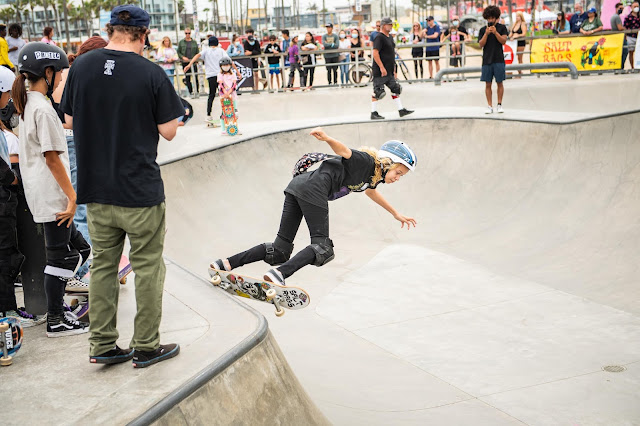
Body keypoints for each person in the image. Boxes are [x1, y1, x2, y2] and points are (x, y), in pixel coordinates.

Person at [60, 4, 183, 366]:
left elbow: (68, 120)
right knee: (148, 267)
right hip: (140, 191)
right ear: (144, 35)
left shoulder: (81, 66)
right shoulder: (151, 73)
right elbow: (169, 131)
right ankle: (145, 346)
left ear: (110, 30)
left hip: (96, 190)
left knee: (103, 266)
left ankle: (101, 344)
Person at [209, 128, 417, 287]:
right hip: (314, 189)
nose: (397, 178)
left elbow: (371, 192)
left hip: (297, 187)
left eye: (401, 176)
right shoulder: (366, 162)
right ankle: (279, 274)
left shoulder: (374, 177)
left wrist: (395, 214)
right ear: (387, 162)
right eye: (398, 172)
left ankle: (225, 264)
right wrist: (327, 138)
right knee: (323, 248)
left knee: (279, 250)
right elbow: (344, 151)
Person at [13, 42, 91, 337]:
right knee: (61, 258)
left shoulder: (29, 105)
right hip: (54, 195)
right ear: (47, 72)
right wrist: (72, 196)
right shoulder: (42, 110)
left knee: (80, 249)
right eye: (58, 73)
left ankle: (59, 305)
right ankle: (56, 319)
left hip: (46, 194)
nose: (60, 79)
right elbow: (52, 158)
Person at [51, 36, 108, 290]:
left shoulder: (70, 72)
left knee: (80, 204)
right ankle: (81, 271)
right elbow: (68, 120)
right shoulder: (78, 75)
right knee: (81, 206)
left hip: (69, 143)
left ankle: (82, 264)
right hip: (73, 142)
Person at [0, 66, 45, 327]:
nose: (8, 99)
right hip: (3, 200)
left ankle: (8, 310)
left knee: (8, 256)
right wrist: (13, 179)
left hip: (5, 200)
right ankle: (7, 312)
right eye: (6, 94)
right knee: (5, 256)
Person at [184, 36, 237, 122]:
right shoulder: (221, 50)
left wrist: (189, 64)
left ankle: (208, 114)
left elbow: (197, 55)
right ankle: (225, 113)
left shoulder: (206, 51)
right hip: (221, 76)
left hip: (211, 76)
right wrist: (237, 71)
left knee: (211, 95)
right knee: (223, 94)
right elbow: (229, 61)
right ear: (217, 43)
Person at [370, 17, 414, 120]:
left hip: (389, 70)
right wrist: (381, 67)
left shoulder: (389, 37)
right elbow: (375, 53)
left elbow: (391, 54)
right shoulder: (379, 37)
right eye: (389, 24)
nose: (391, 26)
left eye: (391, 24)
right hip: (380, 70)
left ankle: (401, 110)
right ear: (383, 26)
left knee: (396, 88)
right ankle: (373, 112)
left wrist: (394, 70)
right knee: (378, 92)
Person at [478, 5, 508, 114]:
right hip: (487, 60)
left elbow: (503, 41)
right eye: (489, 18)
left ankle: (499, 104)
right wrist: (486, 34)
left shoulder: (502, 28)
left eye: (492, 18)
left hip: (499, 59)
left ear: (496, 18)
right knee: (488, 84)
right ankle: (489, 105)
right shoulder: (483, 30)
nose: (490, 20)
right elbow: (481, 44)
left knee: (500, 82)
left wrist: (495, 33)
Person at [218, 57, 239, 134]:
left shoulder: (233, 74)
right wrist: (225, 93)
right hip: (224, 97)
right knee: (225, 112)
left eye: (227, 65)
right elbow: (221, 84)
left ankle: (235, 128)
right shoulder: (220, 74)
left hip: (232, 96)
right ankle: (224, 129)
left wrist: (229, 92)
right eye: (224, 65)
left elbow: (234, 84)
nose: (225, 67)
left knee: (235, 112)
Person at [177, 27, 200, 98]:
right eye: (186, 33)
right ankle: (191, 92)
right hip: (185, 62)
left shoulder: (194, 42)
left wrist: (196, 59)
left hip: (193, 62)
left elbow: (197, 52)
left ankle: (197, 91)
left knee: (195, 77)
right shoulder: (181, 42)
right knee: (187, 78)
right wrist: (183, 57)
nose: (187, 34)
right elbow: (178, 52)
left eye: (189, 33)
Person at [610, 3, 628, 69]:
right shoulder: (617, 17)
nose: (621, 10)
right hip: (619, 37)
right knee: (625, 51)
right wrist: (625, 28)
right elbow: (620, 28)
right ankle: (620, 67)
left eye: (622, 8)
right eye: (620, 8)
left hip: (615, 37)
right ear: (616, 8)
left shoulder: (613, 16)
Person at [624, 1, 640, 69]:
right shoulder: (628, 17)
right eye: (635, 6)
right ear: (631, 7)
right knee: (631, 52)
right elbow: (625, 27)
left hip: (639, 37)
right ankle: (632, 66)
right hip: (631, 36)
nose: (636, 8)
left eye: (637, 6)